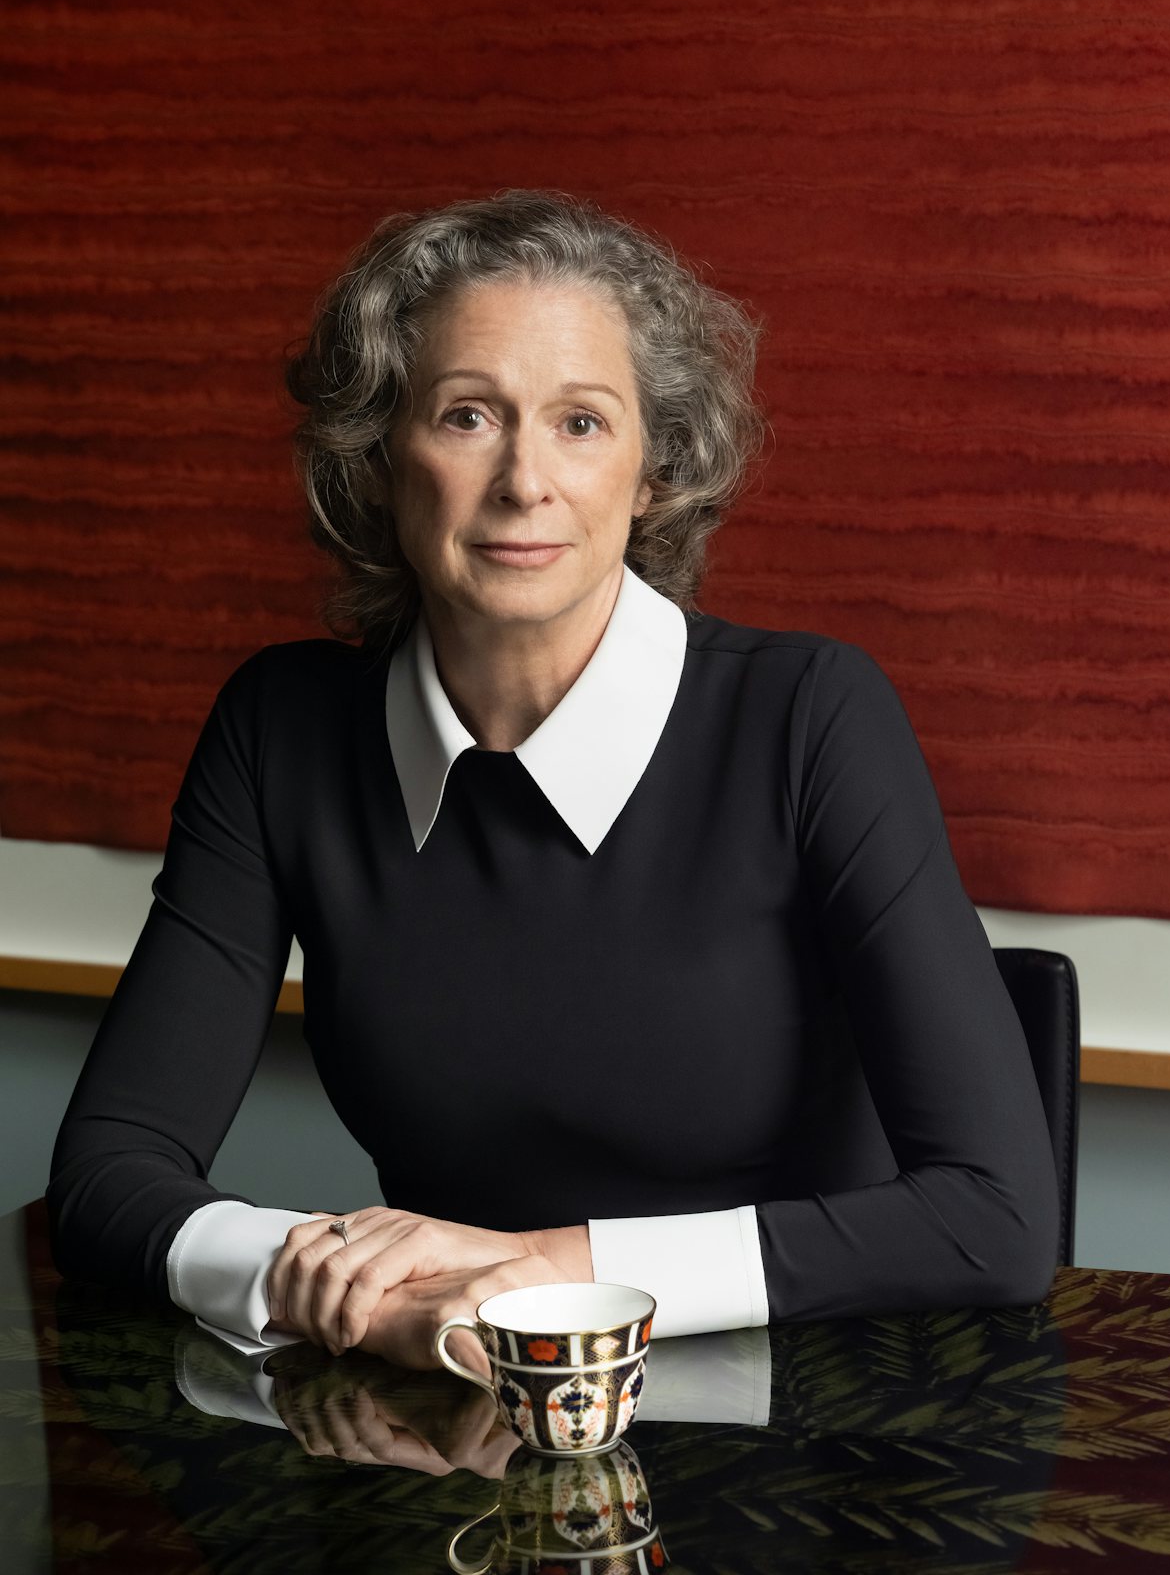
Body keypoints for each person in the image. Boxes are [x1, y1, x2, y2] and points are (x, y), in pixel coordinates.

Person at [47, 190, 1059, 1372]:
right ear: (379, 459)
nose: (526, 479)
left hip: (810, 1425)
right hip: (442, 1391)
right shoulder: (282, 728)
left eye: (581, 423)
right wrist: (348, 1290)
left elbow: (997, 1219)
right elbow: (108, 1172)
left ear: (652, 472)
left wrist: (541, 1273)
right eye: (468, 415)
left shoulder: (808, 715)